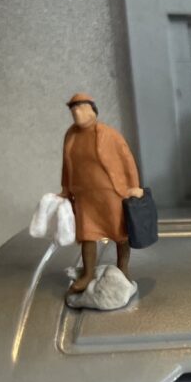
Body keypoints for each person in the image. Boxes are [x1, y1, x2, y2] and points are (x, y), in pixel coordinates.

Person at [60, 93, 143, 293]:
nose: (77, 113)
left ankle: (123, 269)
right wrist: (65, 189)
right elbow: (67, 165)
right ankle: (88, 274)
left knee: (119, 232)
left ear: (92, 110)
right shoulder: (71, 135)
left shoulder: (108, 134)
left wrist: (134, 186)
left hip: (110, 193)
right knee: (87, 236)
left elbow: (127, 159)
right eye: (73, 109)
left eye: (81, 108)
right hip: (84, 196)